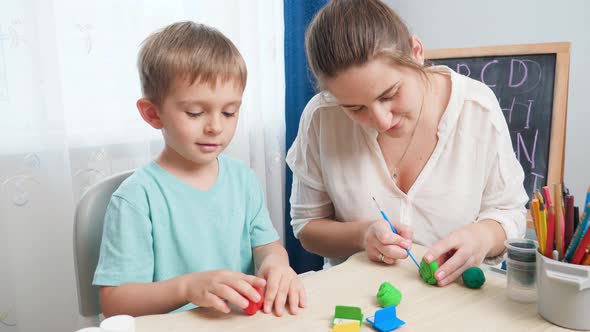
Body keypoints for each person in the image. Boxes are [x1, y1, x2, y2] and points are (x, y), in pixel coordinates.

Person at [286, 0, 528, 286]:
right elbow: (307, 227)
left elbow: (510, 213)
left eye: (390, 94)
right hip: (357, 301)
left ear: (416, 53)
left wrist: (483, 237)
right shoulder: (321, 118)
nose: (381, 121)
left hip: (457, 302)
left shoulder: (476, 109)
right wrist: (362, 236)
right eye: (354, 108)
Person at [93, 21, 305, 317]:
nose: (216, 127)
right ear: (153, 114)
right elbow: (116, 302)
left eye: (230, 112)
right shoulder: (136, 199)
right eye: (195, 112)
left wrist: (276, 265)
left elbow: (268, 247)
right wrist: (186, 288)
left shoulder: (243, 180)